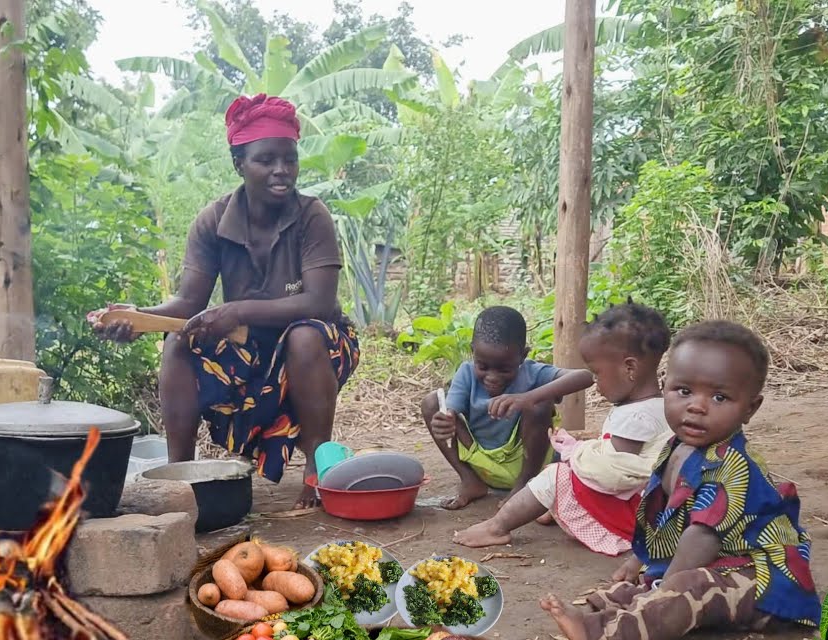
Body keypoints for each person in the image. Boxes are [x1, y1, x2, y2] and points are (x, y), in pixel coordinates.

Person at [94, 94, 358, 509]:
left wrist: (236, 310)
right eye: (265, 160)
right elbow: (188, 304)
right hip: (248, 344)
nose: (281, 170)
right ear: (239, 164)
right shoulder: (213, 221)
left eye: (289, 159)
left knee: (304, 337)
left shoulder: (312, 216)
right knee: (178, 342)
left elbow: (320, 303)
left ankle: (316, 468)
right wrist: (136, 317)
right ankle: (180, 475)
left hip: (319, 342)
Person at [539, 321, 820, 640]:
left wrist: (664, 590)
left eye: (719, 397)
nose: (697, 406)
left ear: (750, 408)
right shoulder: (676, 447)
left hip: (764, 585)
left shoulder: (731, 467)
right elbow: (662, 516)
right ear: (665, 388)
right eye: (684, 391)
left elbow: (701, 539)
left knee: (685, 587)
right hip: (722, 562)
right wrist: (639, 560)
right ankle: (608, 610)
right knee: (651, 580)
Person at [454, 303, 673, 551]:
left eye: (598, 373)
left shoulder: (635, 417)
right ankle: (554, 504)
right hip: (646, 507)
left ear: (629, 368)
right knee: (566, 472)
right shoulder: (658, 407)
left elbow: (612, 476)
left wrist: (576, 453)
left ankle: (497, 527)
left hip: (634, 518)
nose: (596, 383)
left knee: (554, 476)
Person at [421, 306, 592, 510]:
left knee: (539, 404)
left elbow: (585, 376)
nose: (492, 377)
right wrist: (446, 421)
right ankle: (470, 480)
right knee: (431, 402)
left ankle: (523, 487)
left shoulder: (532, 373)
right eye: (483, 367)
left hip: (528, 462)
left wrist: (527, 398)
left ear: (523, 356)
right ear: (472, 351)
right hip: (481, 460)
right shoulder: (466, 373)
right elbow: (450, 411)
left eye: (504, 369)